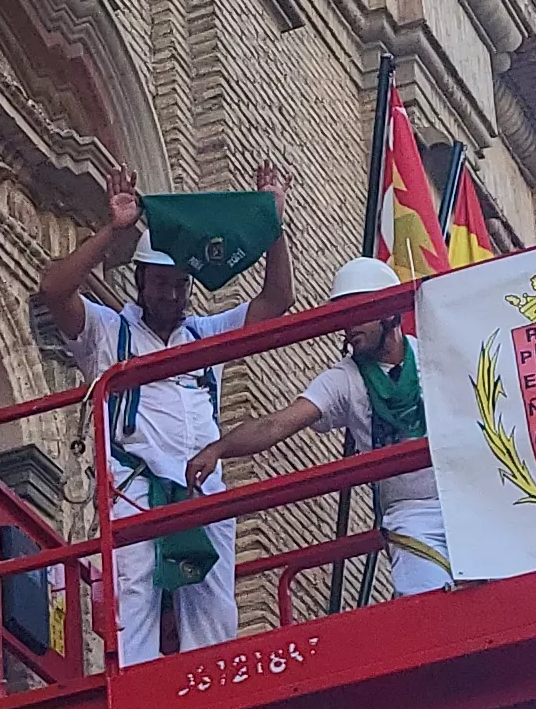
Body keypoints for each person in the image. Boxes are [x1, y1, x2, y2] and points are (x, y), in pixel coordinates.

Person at [35, 162, 295, 663]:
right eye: (161, 285)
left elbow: (276, 301)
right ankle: (137, 686)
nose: (172, 295)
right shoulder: (109, 332)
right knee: (134, 598)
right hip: (134, 488)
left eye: (181, 285)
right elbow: (54, 290)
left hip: (201, 487)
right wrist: (113, 231)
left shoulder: (204, 334)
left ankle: (213, 691)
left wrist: (272, 222)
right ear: (140, 282)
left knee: (213, 604)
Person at [190, 253, 449, 597]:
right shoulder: (345, 379)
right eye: (343, 317)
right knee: (427, 605)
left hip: (466, 497)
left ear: (388, 312)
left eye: (357, 313)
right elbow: (276, 425)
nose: (348, 327)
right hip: (410, 514)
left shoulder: (438, 355)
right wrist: (218, 449)